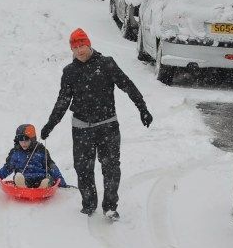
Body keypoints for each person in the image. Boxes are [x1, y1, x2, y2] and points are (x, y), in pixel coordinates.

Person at [40, 29, 152, 219]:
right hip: (81, 127)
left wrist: (142, 107)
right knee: (83, 168)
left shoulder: (106, 64)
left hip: (107, 125)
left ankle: (110, 206)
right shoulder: (70, 72)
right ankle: (89, 205)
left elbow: (127, 85)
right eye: (74, 48)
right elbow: (63, 101)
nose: (79, 51)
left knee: (111, 167)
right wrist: (50, 124)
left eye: (81, 46)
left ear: (89, 44)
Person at [0, 124, 68, 188]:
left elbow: (51, 167)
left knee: (47, 180)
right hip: (24, 178)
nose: (23, 143)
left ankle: (43, 186)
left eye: (26, 140)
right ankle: (23, 185)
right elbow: (7, 168)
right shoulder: (15, 153)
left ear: (32, 140)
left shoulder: (41, 150)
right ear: (17, 141)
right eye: (21, 141)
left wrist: (62, 183)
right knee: (18, 177)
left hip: (41, 178)